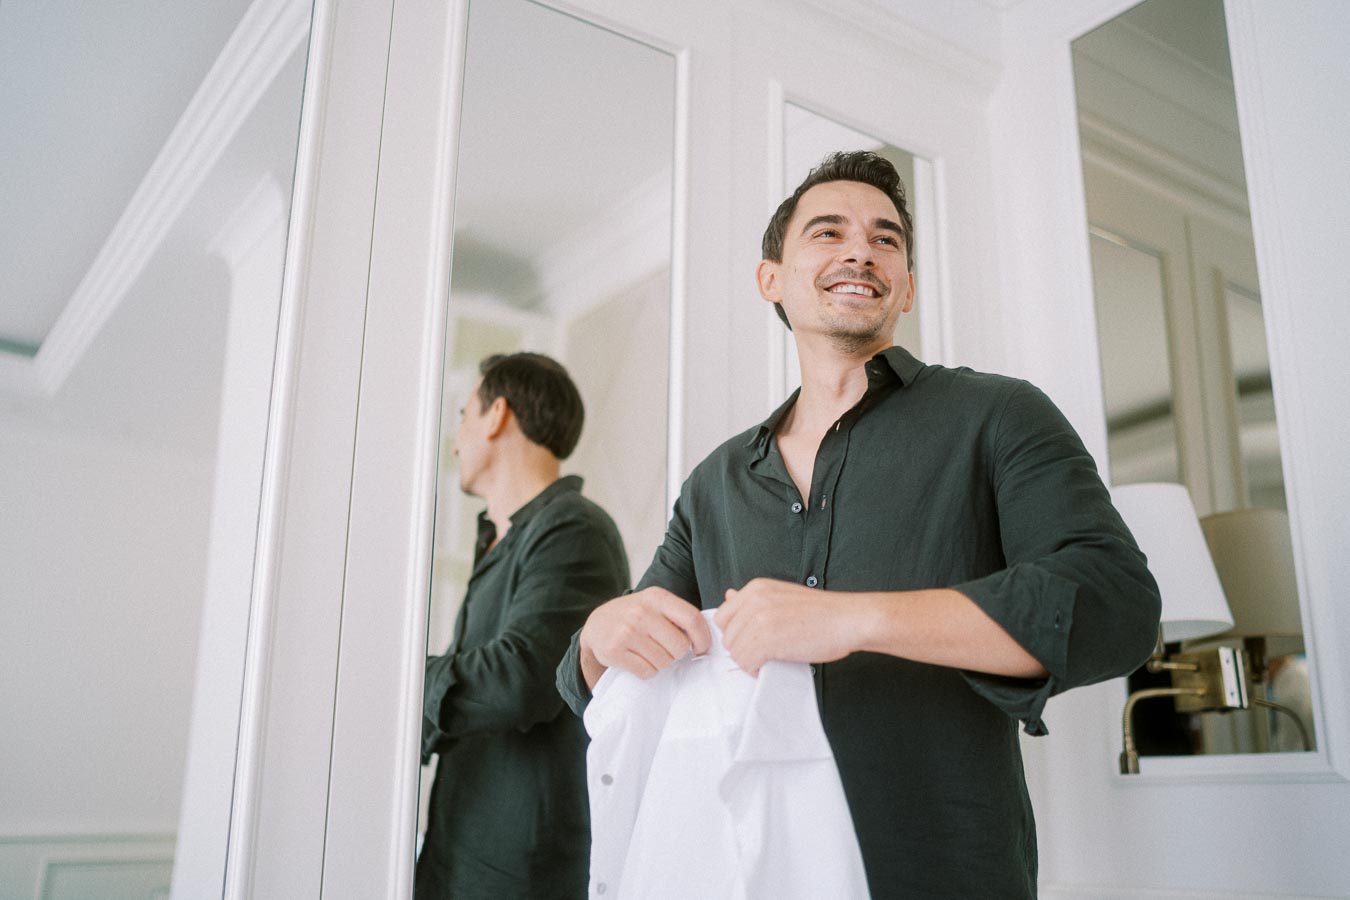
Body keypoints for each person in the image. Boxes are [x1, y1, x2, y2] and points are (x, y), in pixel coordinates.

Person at [556, 151, 1162, 898]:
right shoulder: (713, 484)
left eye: (886, 239)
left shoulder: (1000, 416)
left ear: (906, 286)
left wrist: (854, 619)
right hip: (745, 871)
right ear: (770, 278)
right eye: (828, 232)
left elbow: (1116, 604)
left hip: (943, 872)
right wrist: (597, 640)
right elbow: (614, 676)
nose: (859, 252)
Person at [417, 352, 630, 900]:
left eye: (465, 415)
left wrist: (403, 683)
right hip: (456, 849)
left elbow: (520, 680)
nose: (456, 439)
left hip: (513, 873)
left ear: (496, 416)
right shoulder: (504, 538)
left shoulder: (575, 528)